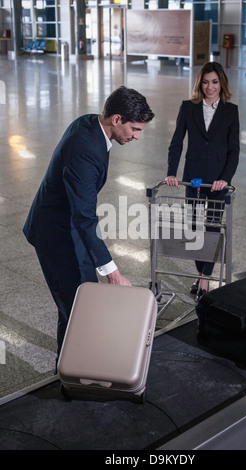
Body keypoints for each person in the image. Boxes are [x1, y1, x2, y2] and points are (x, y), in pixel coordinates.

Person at [23, 86, 155, 360]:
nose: (137, 137)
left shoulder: (89, 123)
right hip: (56, 233)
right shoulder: (86, 151)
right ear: (116, 119)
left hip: (68, 225)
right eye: (135, 129)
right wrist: (114, 273)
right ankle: (71, 373)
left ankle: (74, 367)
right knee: (77, 308)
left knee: (82, 301)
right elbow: (85, 218)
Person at [165, 62, 239, 299]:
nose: (210, 87)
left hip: (217, 182)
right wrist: (171, 172)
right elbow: (177, 142)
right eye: (205, 82)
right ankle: (202, 275)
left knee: (212, 228)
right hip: (194, 179)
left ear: (221, 84)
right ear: (200, 83)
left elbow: (233, 151)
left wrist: (225, 179)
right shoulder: (188, 108)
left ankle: (204, 280)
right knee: (195, 228)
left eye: (214, 82)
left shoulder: (231, 110)